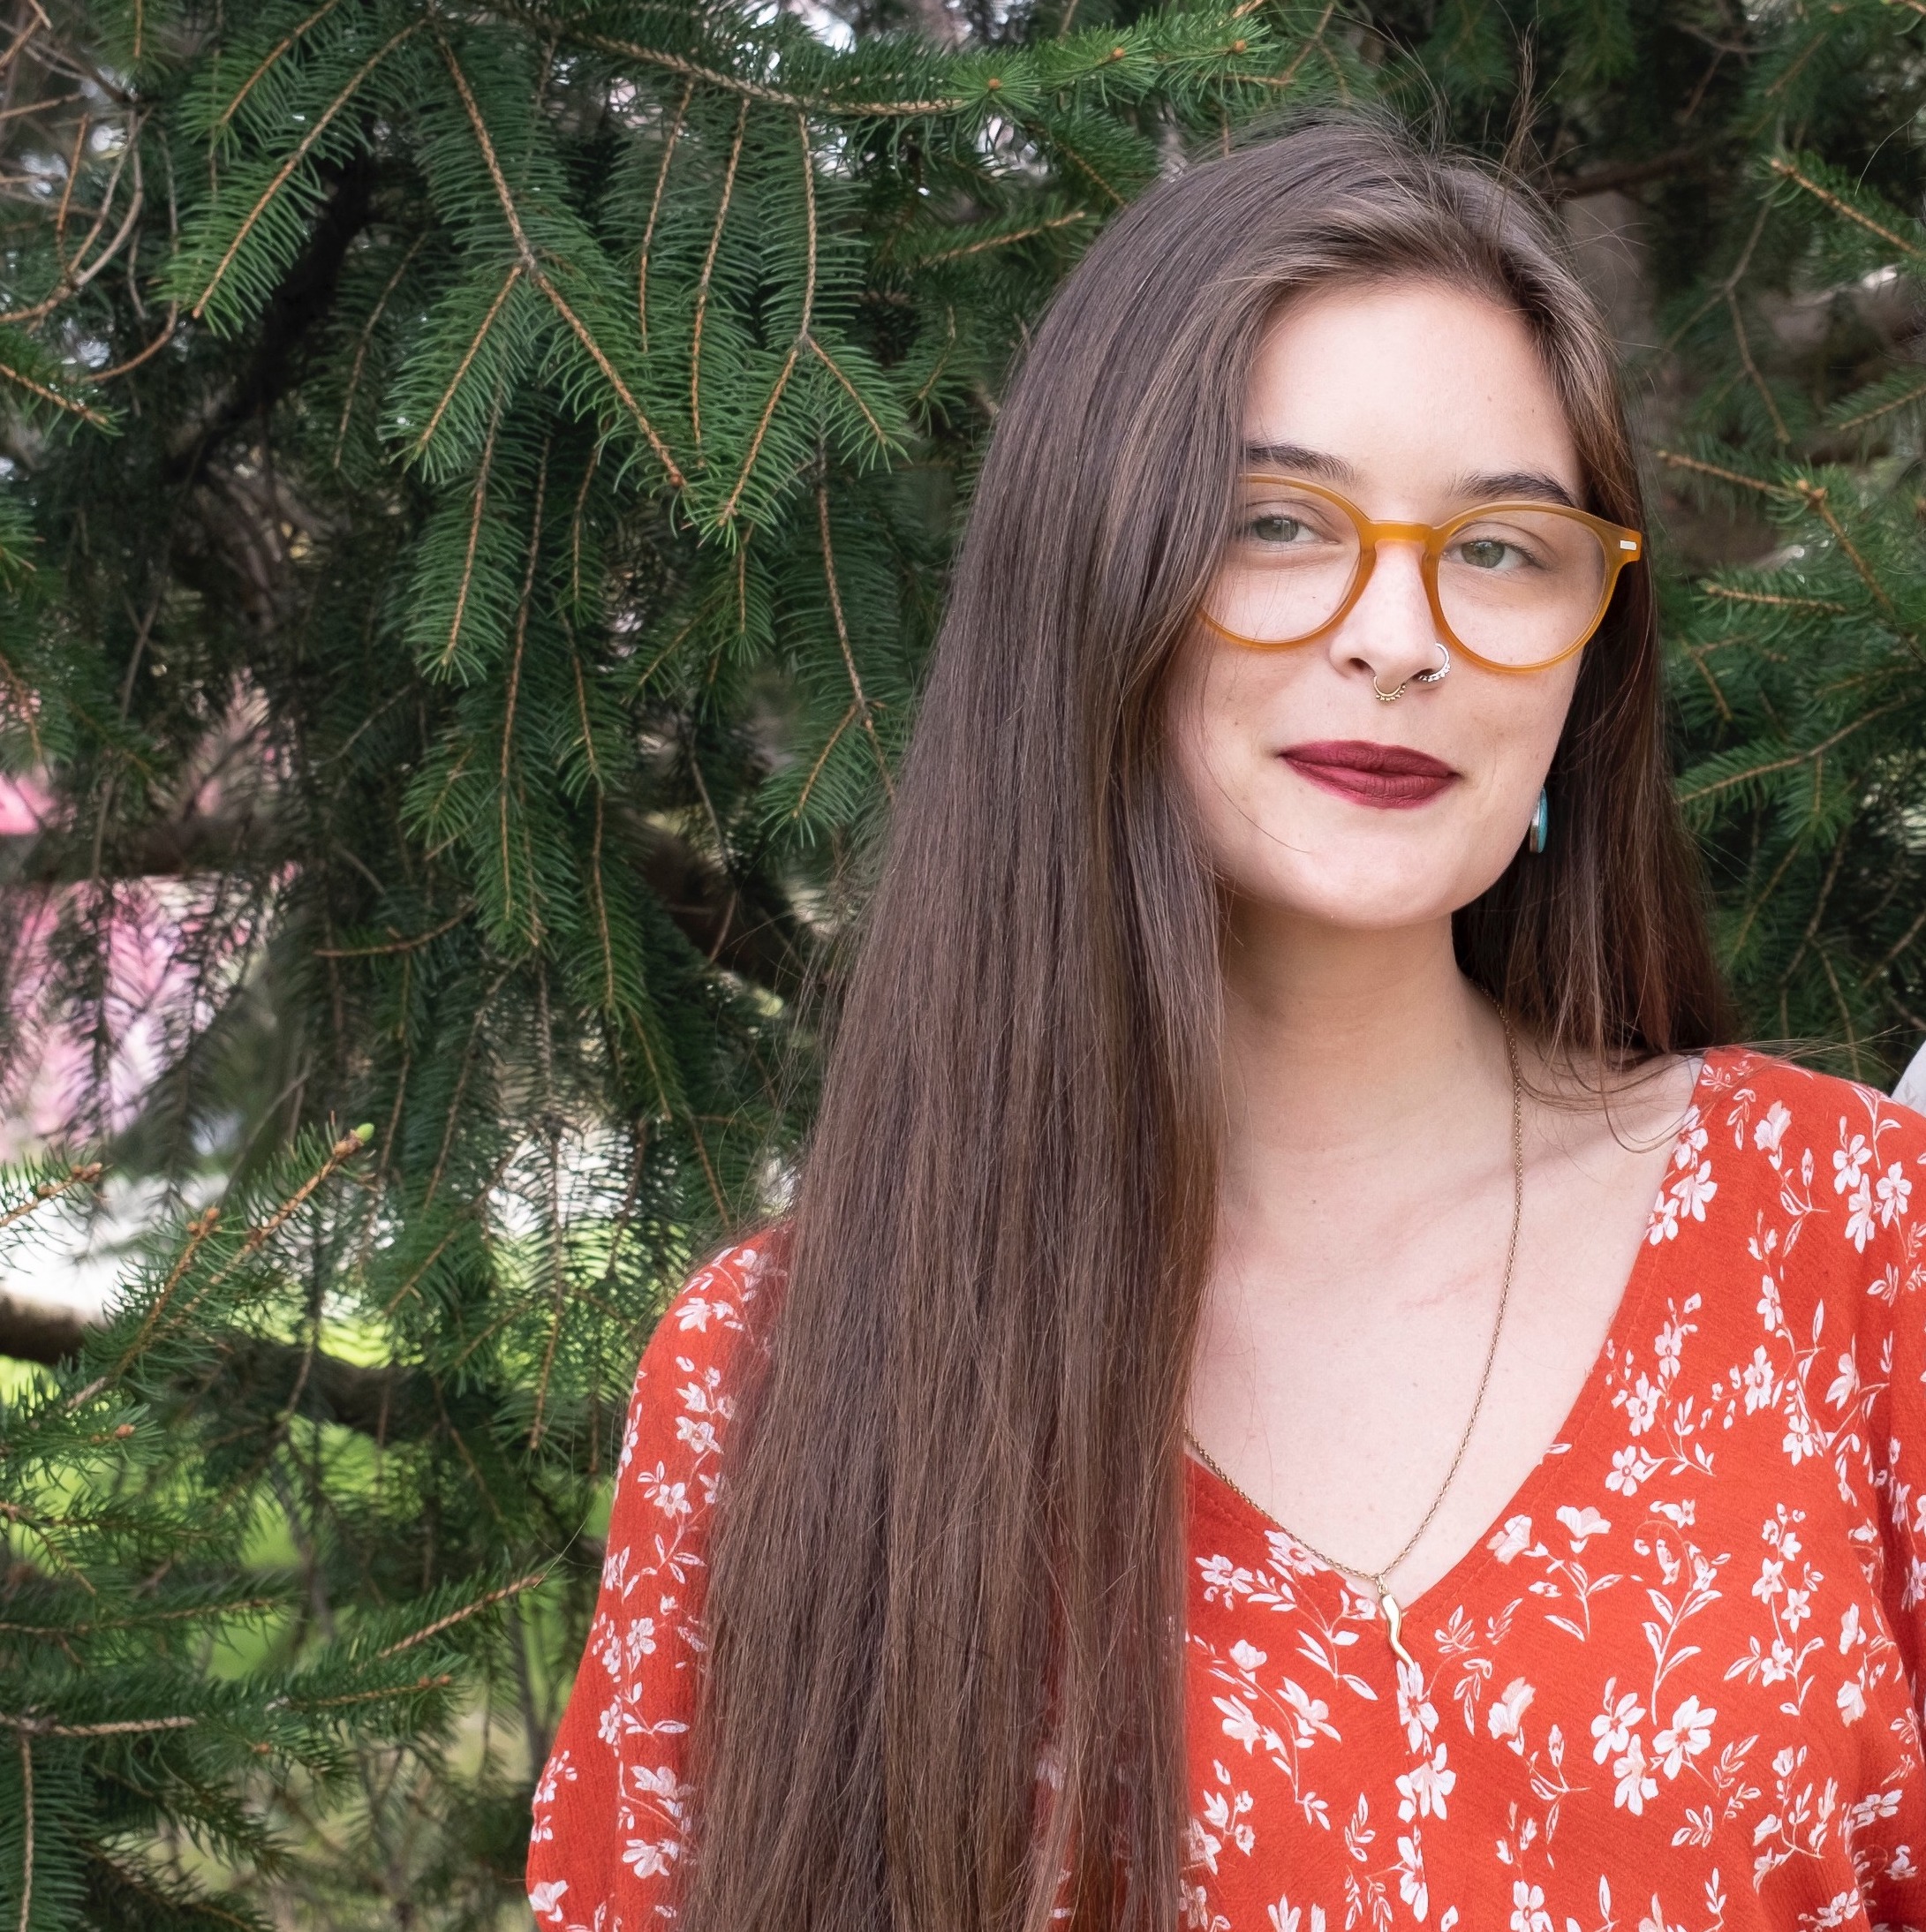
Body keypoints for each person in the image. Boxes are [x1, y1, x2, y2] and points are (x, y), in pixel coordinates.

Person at [525, 116, 1926, 1932]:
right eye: (1277, 522)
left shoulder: (1843, 1235)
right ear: (1092, 579)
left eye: (1502, 549)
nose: (1399, 635)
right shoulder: (780, 1375)